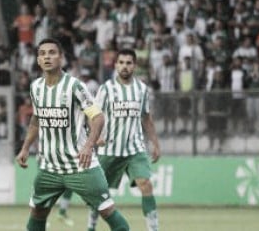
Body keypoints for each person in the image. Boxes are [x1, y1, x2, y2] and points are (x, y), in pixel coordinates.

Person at [15, 38, 130, 231]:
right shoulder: (36, 87)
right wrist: (25, 148)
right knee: (37, 213)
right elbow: (36, 119)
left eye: (52, 52)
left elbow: (98, 117)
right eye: (42, 54)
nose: (47, 57)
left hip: (80, 166)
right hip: (50, 168)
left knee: (107, 211)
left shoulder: (75, 86)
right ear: (37, 60)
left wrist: (88, 145)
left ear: (61, 57)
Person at [88, 48, 161, 231]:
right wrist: (98, 136)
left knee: (146, 184)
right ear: (116, 65)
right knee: (98, 193)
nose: (125, 66)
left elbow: (146, 118)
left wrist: (155, 144)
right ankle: (91, 226)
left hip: (135, 149)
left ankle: (153, 229)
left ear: (134, 66)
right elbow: (93, 115)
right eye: (121, 63)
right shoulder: (106, 89)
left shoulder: (142, 89)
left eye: (128, 63)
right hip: (109, 149)